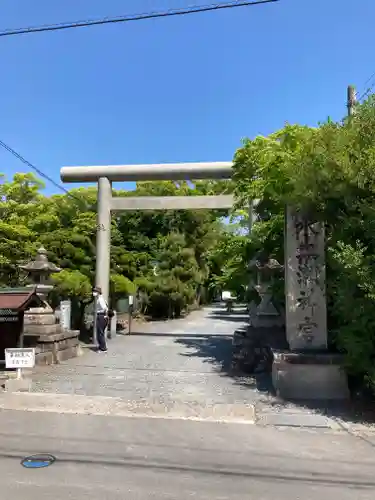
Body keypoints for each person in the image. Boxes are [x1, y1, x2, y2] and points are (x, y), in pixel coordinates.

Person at [92, 286, 108, 352]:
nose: (94, 293)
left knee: (100, 332)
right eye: (94, 291)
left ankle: (103, 348)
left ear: (98, 292)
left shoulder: (100, 299)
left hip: (101, 316)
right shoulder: (101, 298)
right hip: (102, 316)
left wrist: (105, 315)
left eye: (95, 291)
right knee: (100, 332)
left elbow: (105, 308)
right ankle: (101, 346)